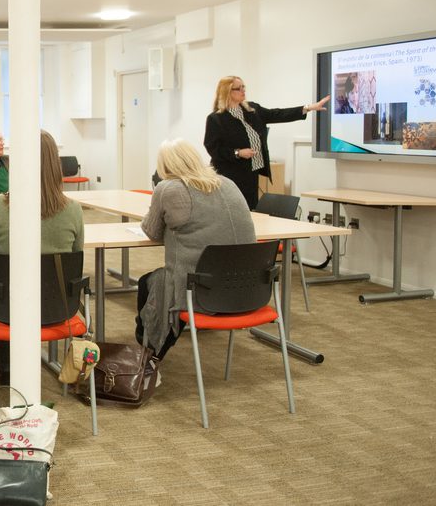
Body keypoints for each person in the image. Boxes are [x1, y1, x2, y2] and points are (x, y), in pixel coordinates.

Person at [0, 131, 84, 385]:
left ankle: (6, 367)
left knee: (3, 286)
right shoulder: (74, 211)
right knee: (12, 287)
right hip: (59, 307)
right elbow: (75, 263)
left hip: (8, 310)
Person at [135, 139, 256, 360]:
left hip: (203, 292)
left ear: (165, 167)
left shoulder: (169, 188)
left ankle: (149, 352)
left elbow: (152, 231)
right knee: (165, 279)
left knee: (149, 282)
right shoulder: (228, 183)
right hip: (248, 290)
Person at [203, 75, 329, 209]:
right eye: (238, 88)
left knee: (251, 209)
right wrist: (238, 152)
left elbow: (277, 114)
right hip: (230, 174)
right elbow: (213, 149)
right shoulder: (216, 119)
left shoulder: (252, 109)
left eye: (243, 87)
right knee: (234, 209)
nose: (243, 90)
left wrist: (308, 108)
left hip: (251, 171)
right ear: (227, 92)